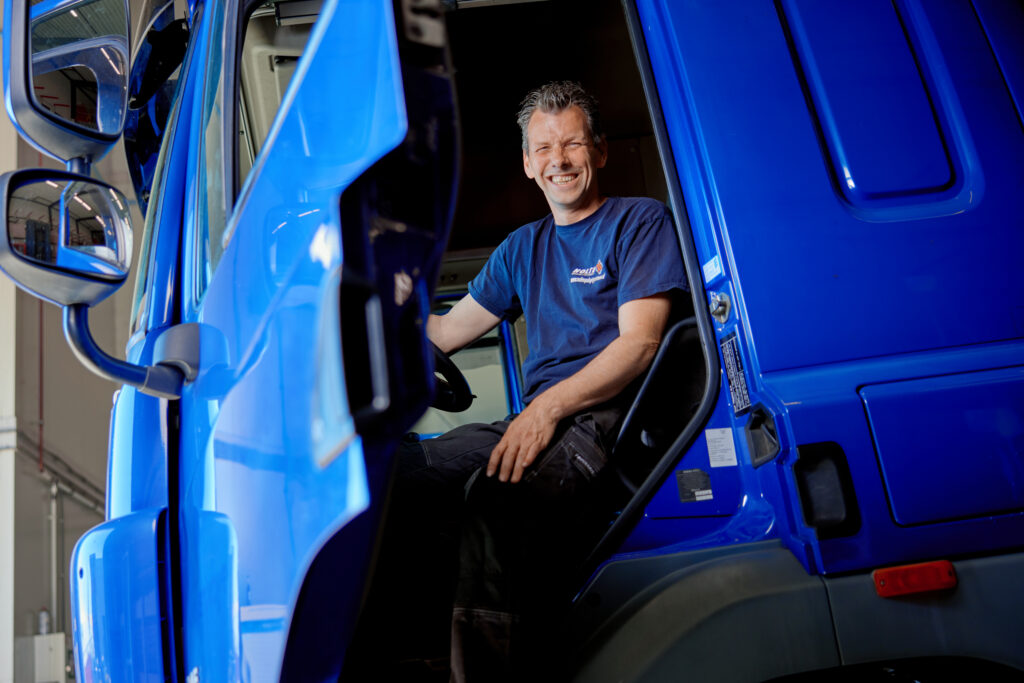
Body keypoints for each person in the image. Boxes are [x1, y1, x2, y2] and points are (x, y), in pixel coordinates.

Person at [346, 81, 688, 681]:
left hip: (604, 419)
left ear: (599, 152)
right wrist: (384, 297)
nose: (559, 160)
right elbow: (447, 332)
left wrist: (546, 410)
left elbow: (640, 345)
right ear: (528, 163)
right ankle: (408, 654)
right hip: (540, 417)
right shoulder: (521, 248)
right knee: (392, 476)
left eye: (573, 144)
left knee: (496, 499)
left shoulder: (638, 222)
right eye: (545, 149)